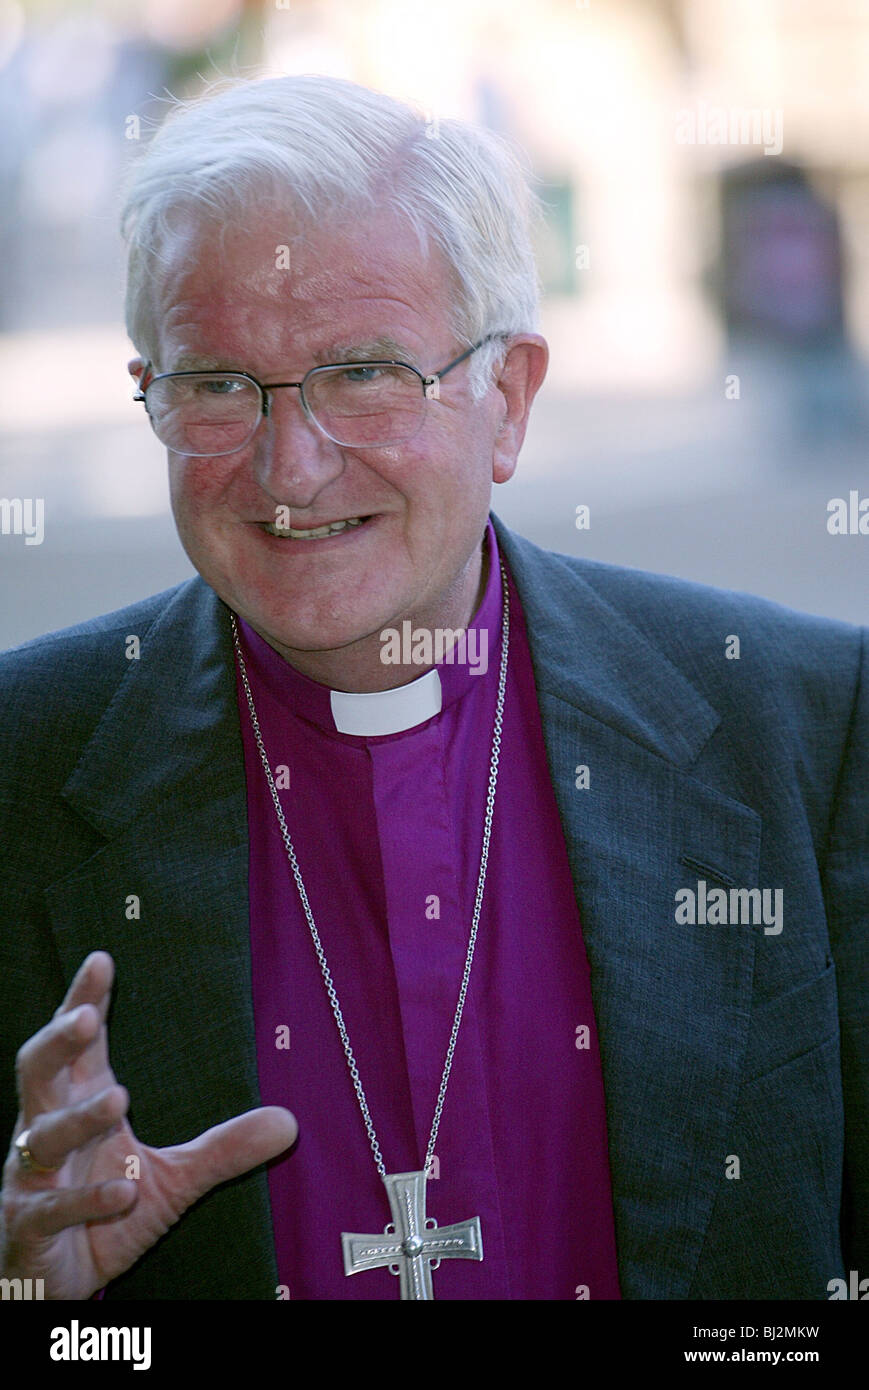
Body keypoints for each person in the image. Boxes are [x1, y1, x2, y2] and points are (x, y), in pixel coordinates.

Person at [0, 74, 865, 1302]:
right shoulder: (18, 766)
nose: (288, 467)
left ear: (504, 400)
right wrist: (30, 1304)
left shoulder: (806, 729)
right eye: (213, 386)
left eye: (361, 372)